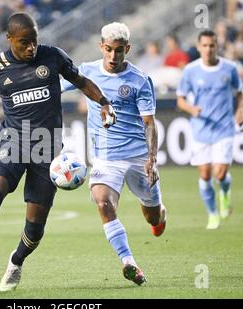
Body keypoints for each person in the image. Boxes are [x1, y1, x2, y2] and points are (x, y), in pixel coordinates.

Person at [0, 12, 116, 293]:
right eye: (24, 43)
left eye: (34, 41)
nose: (31, 48)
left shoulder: (53, 57)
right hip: (14, 143)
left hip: (48, 150)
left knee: (35, 226)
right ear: (9, 40)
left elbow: (81, 82)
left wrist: (103, 102)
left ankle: (16, 261)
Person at [61, 22, 167, 286]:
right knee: (103, 204)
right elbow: (53, 88)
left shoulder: (140, 80)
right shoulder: (86, 72)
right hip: (105, 158)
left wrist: (152, 159)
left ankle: (160, 216)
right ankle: (129, 261)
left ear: (127, 49)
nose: (112, 56)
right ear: (101, 46)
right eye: (108, 49)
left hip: (138, 158)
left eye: (119, 51)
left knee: (152, 217)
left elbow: (149, 123)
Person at [176, 30, 243, 230]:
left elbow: (240, 92)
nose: (208, 49)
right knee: (205, 175)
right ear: (199, 47)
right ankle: (213, 214)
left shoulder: (229, 68)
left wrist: (239, 111)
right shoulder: (190, 71)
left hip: (224, 127)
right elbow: (180, 99)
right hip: (201, 130)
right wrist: (191, 108)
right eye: (204, 45)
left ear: (217, 46)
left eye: (212, 45)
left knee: (220, 173)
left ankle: (224, 192)